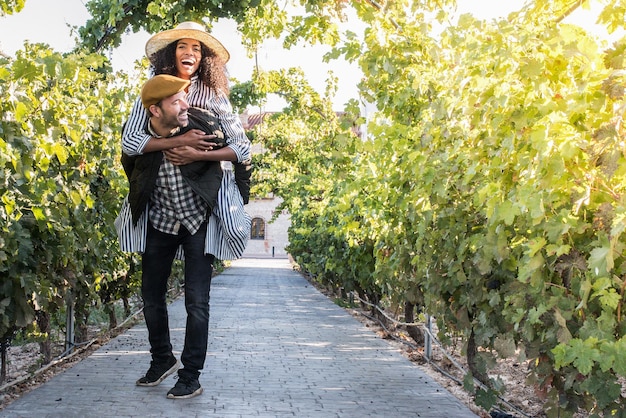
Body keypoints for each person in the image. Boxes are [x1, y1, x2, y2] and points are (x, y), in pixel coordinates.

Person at [122, 21, 251, 260]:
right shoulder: (154, 90)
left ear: (204, 58)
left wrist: (199, 154)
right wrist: (177, 143)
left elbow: (242, 147)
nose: (189, 52)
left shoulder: (214, 94)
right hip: (162, 193)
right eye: (182, 46)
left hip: (202, 192)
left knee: (220, 242)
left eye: (197, 48)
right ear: (172, 53)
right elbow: (130, 141)